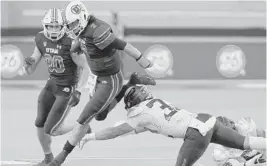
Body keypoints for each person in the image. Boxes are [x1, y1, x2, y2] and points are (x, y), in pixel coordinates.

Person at [45, 1, 158, 165]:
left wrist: (144, 61)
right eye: (69, 24)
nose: (71, 27)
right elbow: (79, 47)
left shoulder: (98, 31)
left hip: (110, 79)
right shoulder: (81, 32)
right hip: (98, 76)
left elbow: (124, 45)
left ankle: (60, 158)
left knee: (83, 119)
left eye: (74, 23)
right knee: (99, 116)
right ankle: (131, 83)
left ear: (83, 18)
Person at [78, 84, 267, 166]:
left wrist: (91, 136)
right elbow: (140, 127)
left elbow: (117, 131)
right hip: (206, 120)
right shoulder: (153, 105)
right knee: (246, 143)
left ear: (132, 102)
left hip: (196, 133)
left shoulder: (139, 114)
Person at [18, 8, 93, 166]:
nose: (53, 30)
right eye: (50, 26)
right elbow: (31, 67)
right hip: (52, 84)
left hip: (66, 88)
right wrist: (27, 65)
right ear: (45, 26)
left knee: (52, 129)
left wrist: (78, 90)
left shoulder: (70, 43)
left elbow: (86, 67)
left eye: (56, 26)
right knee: (39, 123)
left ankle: (82, 127)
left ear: (63, 26)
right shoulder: (40, 38)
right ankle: (48, 157)